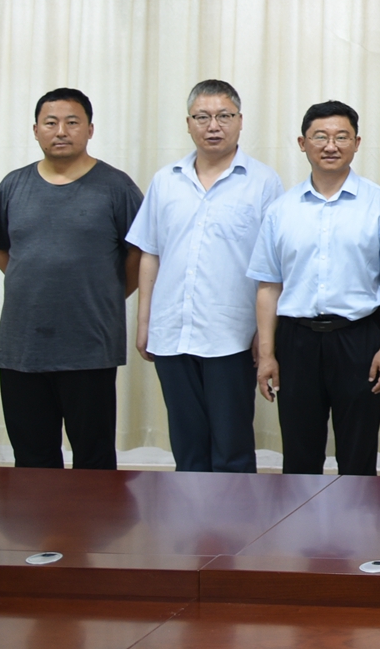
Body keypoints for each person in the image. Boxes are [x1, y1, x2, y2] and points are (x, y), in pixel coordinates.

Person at [127, 80, 283, 472]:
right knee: (187, 446)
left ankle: (236, 513)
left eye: (224, 116)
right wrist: (144, 322)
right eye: (202, 117)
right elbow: (150, 254)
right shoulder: (166, 180)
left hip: (232, 336)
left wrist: (265, 336)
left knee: (231, 447)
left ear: (240, 121)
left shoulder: (264, 182)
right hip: (172, 331)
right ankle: (189, 513)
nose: (213, 126)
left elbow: (273, 267)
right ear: (188, 123)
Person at [0, 88, 143, 469]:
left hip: (89, 345)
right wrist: (41, 288)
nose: (61, 131)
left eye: (72, 122)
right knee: (32, 459)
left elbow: (139, 256)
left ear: (90, 129)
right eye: (51, 122)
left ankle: (93, 514)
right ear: (35, 130)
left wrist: (103, 293)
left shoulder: (117, 187)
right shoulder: (13, 186)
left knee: (94, 459)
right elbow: (1, 249)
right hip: (23, 347)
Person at [247, 100, 380, 476]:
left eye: (341, 137)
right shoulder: (281, 210)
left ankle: (358, 516)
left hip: (359, 339)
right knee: (300, 455)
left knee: (358, 454)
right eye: (320, 137)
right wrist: (267, 355)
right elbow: (268, 285)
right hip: (296, 341)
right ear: (303, 143)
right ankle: (302, 517)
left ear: (357, 143)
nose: (331, 145)